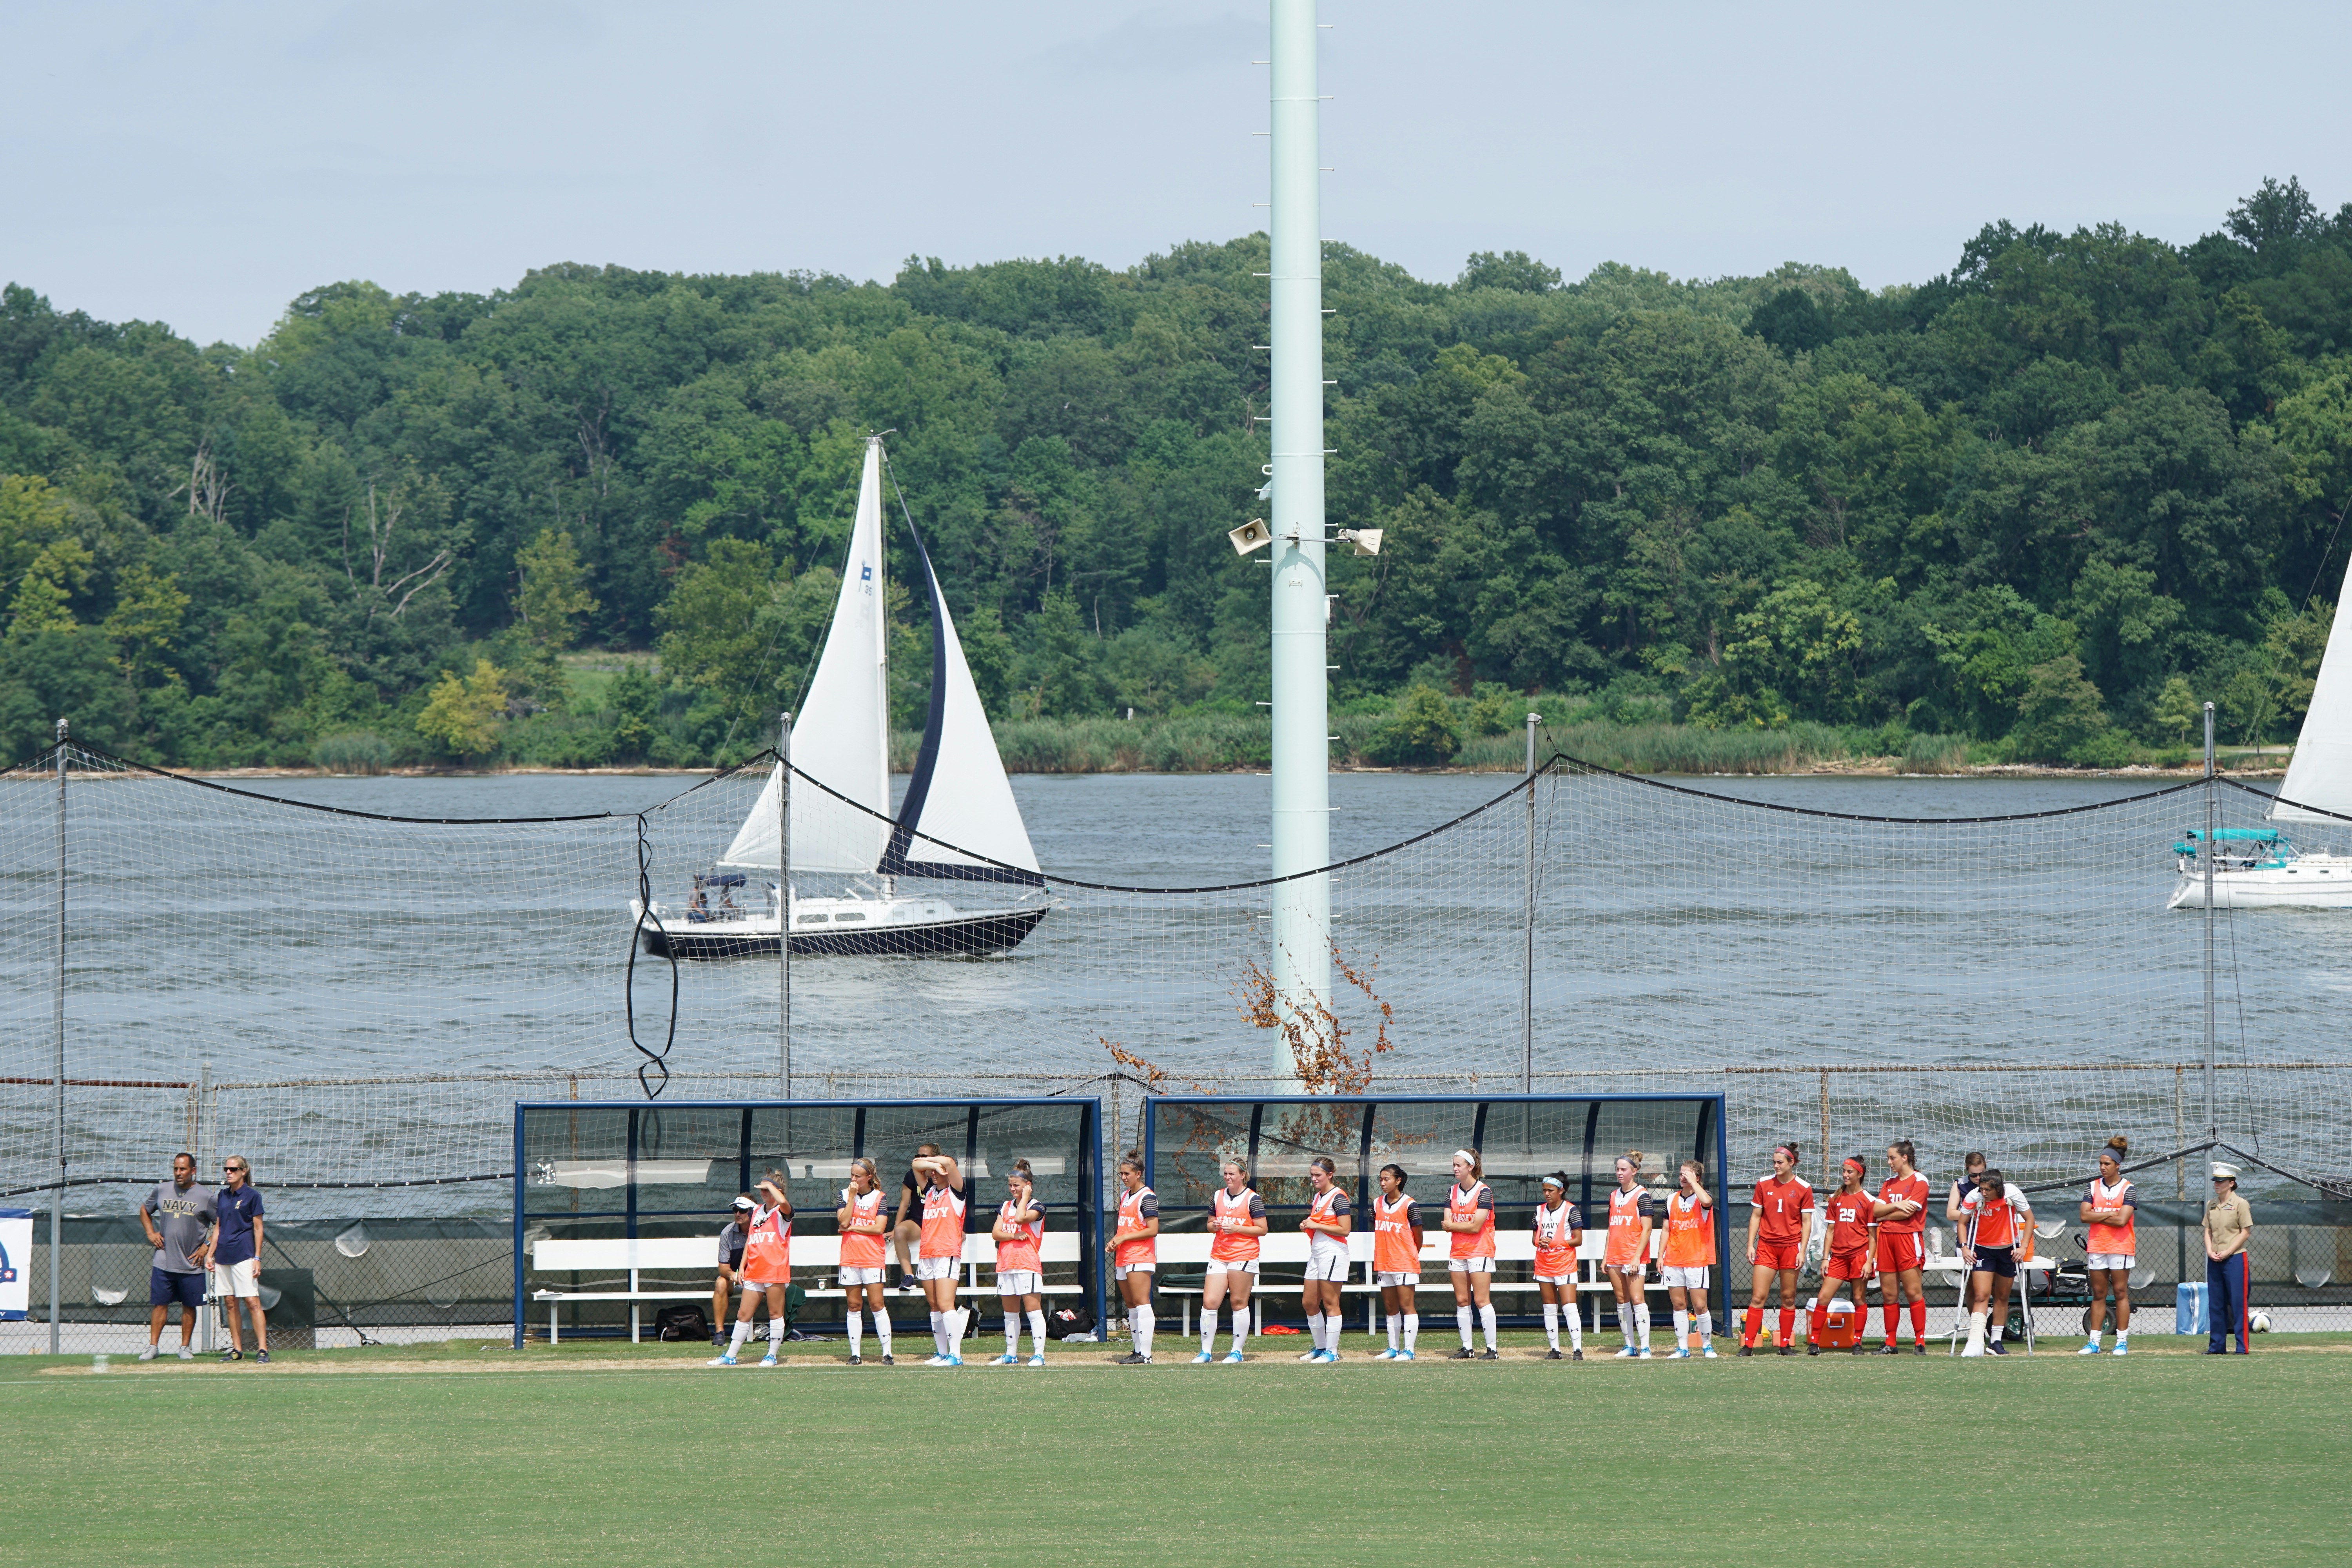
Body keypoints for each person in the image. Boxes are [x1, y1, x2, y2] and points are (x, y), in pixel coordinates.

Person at [710, 1173, 792, 1366]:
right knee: (743, 1315)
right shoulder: (756, 1212)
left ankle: (772, 1355)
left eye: (767, 1189)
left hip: (774, 1270)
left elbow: (784, 1203)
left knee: (775, 1314)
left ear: (778, 1191)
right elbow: (751, 1242)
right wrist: (741, 1268)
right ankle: (730, 1355)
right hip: (755, 1271)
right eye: (762, 1189)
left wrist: (773, 1187)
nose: (763, 1192)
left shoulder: (782, 1211)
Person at [138, 1152, 213, 1362]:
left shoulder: (206, 1197)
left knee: (189, 1305)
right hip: (164, 1261)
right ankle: (153, 1347)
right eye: (176, 1169)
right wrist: (151, 1233)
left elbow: (222, 1224)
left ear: (193, 1171)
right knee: (160, 1304)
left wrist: (206, 1247)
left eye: (183, 1169)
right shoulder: (162, 1189)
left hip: (192, 1263)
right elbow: (144, 1210)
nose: (178, 1173)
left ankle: (185, 1347)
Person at [1740, 1143, 1813, 1357]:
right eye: (1774, 1162)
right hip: (1767, 1247)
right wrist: (1751, 1244)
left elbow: (1807, 1222)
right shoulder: (1764, 1184)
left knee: (1788, 1297)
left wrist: (1802, 1251)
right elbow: (1756, 1216)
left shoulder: (1804, 1187)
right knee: (1758, 1297)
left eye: (1780, 1162)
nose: (1776, 1166)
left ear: (1792, 1163)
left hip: (1791, 1248)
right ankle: (1748, 1346)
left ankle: (1785, 1345)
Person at [1194, 1158, 1266, 1363]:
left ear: (1243, 1175)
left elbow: (1262, 1229)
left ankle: (1237, 1351)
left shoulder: (1252, 1198)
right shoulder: (1218, 1196)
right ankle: (1206, 1352)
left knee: (1238, 1302)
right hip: (1219, 1255)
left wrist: (1237, 1229)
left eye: (1232, 1174)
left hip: (1244, 1255)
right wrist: (1215, 1226)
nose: (1228, 1177)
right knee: (1210, 1302)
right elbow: (1210, 1225)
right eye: (1226, 1173)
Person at [1958, 1166, 2031, 1357]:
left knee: (2002, 1296)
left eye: (1987, 1190)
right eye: (1981, 1189)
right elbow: (1962, 1222)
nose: (1983, 1193)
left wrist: (2023, 1247)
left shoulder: (2012, 1192)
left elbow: (2029, 1219)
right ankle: (1975, 1342)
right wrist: (1965, 1247)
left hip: (2008, 1249)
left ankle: (1995, 1342)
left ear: (1998, 1188)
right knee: (1982, 1295)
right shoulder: (1974, 1196)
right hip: (1983, 1249)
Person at [1808, 1158, 1876, 1357]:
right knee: (1823, 1298)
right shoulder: (1836, 1198)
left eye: (1850, 1172)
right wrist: (1825, 1258)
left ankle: (1857, 1342)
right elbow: (1830, 1231)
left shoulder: (1869, 1200)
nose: (1845, 1175)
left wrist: (1869, 1261)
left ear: (1860, 1174)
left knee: (1859, 1298)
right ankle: (1814, 1342)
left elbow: (1873, 1236)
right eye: (1844, 1171)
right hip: (1838, 1257)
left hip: (1859, 1256)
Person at [204, 1155, 267, 1364]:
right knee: (230, 1303)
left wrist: (257, 1257)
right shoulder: (223, 1195)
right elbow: (219, 1227)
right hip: (223, 1256)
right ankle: (237, 1349)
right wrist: (210, 1254)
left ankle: (263, 1349)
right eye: (227, 1169)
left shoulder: (252, 1196)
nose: (229, 1173)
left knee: (252, 1301)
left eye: (233, 1169)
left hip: (244, 1255)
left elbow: (258, 1229)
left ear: (243, 1171)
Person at [1871, 1141, 1931, 1355]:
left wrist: (1885, 1216)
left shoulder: (1920, 1181)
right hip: (1886, 1240)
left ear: (1905, 1158)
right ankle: (1891, 1342)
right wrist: (1896, 1205)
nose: (1889, 1162)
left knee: (1913, 1292)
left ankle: (1920, 1342)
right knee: (1889, 1294)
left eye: (1892, 1158)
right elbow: (1876, 1210)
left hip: (1908, 1239)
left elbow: (1909, 1213)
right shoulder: (1889, 1183)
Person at [911, 1150, 971, 1366]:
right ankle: (942, 1353)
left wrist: (940, 1164)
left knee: (946, 1304)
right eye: (933, 1172)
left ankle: (956, 1355)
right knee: (935, 1305)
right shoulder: (929, 1191)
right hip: (927, 1253)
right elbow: (915, 1164)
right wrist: (934, 1166)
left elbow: (949, 1162)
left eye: (939, 1171)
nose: (934, 1174)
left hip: (946, 1252)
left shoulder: (956, 1192)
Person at [2080, 1136, 2138, 1356]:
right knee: (2099, 1294)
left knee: (2121, 1293)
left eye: (2107, 1164)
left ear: (2117, 1165)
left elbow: (2122, 1221)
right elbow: (2084, 1216)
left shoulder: (2129, 1189)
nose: (2103, 1167)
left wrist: (2097, 1214)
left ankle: (2121, 1342)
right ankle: (2094, 1343)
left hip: (2121, 1247)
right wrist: (2110, 1214)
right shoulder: (2092, 1187)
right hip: (2097, 1246)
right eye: (2101, 1163)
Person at [1441, 1149, 1500, 1359]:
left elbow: (1476, 1227)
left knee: (1482, 1301)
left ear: (1471, 1167)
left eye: (1459, 1165)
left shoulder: (1484, 1191)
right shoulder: (1451, 1191)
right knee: (1462, 1300)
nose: (1455, 1169)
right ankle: (1468, 1348)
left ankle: (1492, 1349)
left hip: (1479, 1251)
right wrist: (1458, 1225)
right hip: (1458, 1251)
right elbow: (1446, 1224)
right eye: (1454, 1165)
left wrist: (1455, 1226)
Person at [990, 1160, 1049, 1367]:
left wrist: (1025, 1197)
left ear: (1028, 1185)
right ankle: (1011, 1354)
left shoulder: (1037, 1207)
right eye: (1011, 1185)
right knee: (1010, 1314)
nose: (1013, 1189)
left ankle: (1039, 1354)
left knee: (1033, 1312)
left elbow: (1021, 1218)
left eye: (1017, 1185)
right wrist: (1014, 1236)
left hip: (1027, 1265)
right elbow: (996, 1234)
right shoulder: (1005, 1207)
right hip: (1006, 1265)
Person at [836, 1160, 895, 1365]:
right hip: (850, 1256)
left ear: (869, 1177)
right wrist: (852, 1197)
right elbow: (843, 1221)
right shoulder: (844, 1195)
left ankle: (887, 1353)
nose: (853, 1179)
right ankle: (856, 1354)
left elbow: (879, 1229)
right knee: (854, 1305)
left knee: (877, 1304)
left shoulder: (880, 1197)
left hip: (872, 1257)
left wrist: (853, 1229)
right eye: (852, 1175)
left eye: (858, 1176)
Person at [1298, 1156, 1352, 1363]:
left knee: (1331, 1303)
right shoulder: (1317, 1197)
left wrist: (1316, 1225)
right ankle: (1321, 1347)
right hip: (1317, 1254)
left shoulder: (1339, 1197)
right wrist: (1308, 1225)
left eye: (1318, 1175)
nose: (1314, 1178)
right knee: (1309, 1303)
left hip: (1334, 1253)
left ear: (1330, 1175)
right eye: (1312, 1175)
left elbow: (1345, 1229)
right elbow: (1318, 1223)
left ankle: (1332, 1351)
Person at [1108, 1152, 1160, 1365]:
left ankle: (1146, 1354)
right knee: (1131, 1305)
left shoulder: (1147, 1196)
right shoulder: (1125, 1196)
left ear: (1138, 1174)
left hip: (1140, 1255)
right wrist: (1116, 1241)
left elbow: (1153, 1229)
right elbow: (1127, 1227)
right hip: (1124, 1257)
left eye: (1127, 1174)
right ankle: (1138, 1351)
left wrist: (1124, 1238)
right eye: (1121, 1173)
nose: (1123, 1177)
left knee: (1141, 1302)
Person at [1661, 1159, 1715, 1359]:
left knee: (1700, 1306)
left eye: (1688, 1174)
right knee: (1678, 1304)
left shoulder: (1702, 1197)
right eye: (1681, 1173)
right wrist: (1661, 1256)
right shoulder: (1671, 1199)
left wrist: (1694, 1183)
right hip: (1674, 1259)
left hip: (1696, 1259)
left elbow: (1707, 1202)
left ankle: (1707, 1345)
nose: (1682, 1177)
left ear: (1697, 1177)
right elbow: (1666, 1229)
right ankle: (1683, 1348)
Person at [1603, 1151, 1655, 1358]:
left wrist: (1636, 1258)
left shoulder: (1642, 1195)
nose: (1619, 1173)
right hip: (1615, 1255)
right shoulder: (1614, 1195)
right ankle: (1629, 1346)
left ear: (1634, 1171)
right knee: (1621, 1299)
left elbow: (1647, 1229)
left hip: (1634, 1256)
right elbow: (1611, 1228)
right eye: (1617, 1169)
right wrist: (1606, 1257)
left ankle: (1646, 1347)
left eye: (1623, 1169)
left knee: (1637, 1299)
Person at [1368, 1163, 1422, 1360]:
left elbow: (1418, 1236)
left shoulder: (1410, 1204)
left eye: (1387, 1179)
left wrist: (1410, 1254)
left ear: (1398, 1181)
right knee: (1390, 1307)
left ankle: (1409, 1350)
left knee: (1407, 1306)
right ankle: (1393, 1348)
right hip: (1384, 1262)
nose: (1383, 1183)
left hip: (1404, 1262)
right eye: (1381, 1179)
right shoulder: (1376, 1204)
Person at [2203, 1162, 2256, 1355]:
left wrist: (2228, 1251)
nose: (2217, 1184)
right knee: (2216, 1304)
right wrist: (2210, 1251)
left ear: (2231, 1183)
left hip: (2235, 1259)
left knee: (2238, 1304)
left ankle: (2242, 1347)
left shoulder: (2241, 1204)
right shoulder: (2211, 1204)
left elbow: (2246, 1232)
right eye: (2215, 1181)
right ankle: (2217, 1347)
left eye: (2221, 1181)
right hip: (2215, 1259)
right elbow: (2208, 1231)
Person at [1531, 1172, 1584, 1361]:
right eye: (1544, 1190)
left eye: (1551, 1190)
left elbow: (1578, 1240)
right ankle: (1555, 1350)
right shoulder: (1539, 1211)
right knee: (1549, 1308)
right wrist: (1540, 1242)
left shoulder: (1571, 1210)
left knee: (1569, 1307)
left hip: (1564, 1265)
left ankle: (1577, 1350)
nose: (1547, 1194)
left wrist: (1555, 1243)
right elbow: (1534, 1238)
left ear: (1561, 1191)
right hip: (1544, 1265)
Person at [891, 1143, 944, 1291]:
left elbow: (956, 1204)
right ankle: (909, 1277)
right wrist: (895, 1227)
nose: (920, 1159)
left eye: (924, 1156)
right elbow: (904, 1204)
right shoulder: (911, 1175)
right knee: (900, 1231)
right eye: (918, 1156)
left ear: (935, 1158)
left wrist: (960, 1229)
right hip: (918, 1222)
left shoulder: (942, 1176)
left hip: (939, 1223)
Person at [711, 1195, 753, 1348]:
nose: (738, 1214)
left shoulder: (763, 1231)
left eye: (742, 1210)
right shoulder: (727, 1233)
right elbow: (723, 1267)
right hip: (738, 1282)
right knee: (721, 1283)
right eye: (735, 1210)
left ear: (752, 1212)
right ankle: (719, 1333)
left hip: (760, 1281)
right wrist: (732, 1275)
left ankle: (777, 1333)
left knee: (778, 1284)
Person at [1945, 1151, 1987, 1228]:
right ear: (1967, 1169)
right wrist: (1973, 1213)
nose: (1978, 1178)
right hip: (1967, 1228)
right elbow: (1950, 1214)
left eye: (1981, 1174)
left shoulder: (1993, 1183)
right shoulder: (1960, 1184)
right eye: (1974, 1175)